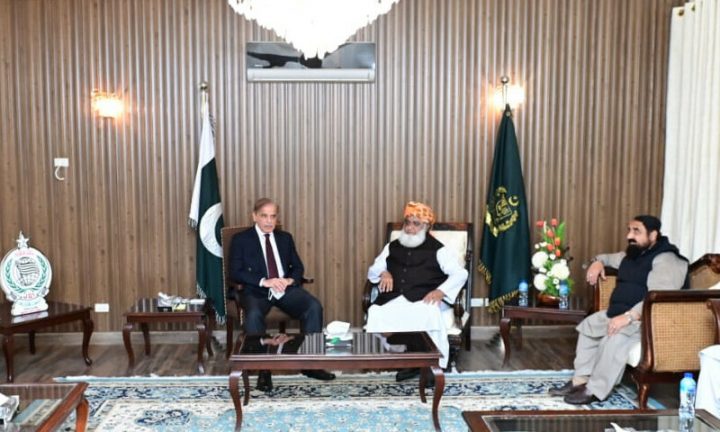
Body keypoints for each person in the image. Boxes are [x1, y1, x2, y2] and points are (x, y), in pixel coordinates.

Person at [549, 215, 688, 404]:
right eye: (629, 230)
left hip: (648, 321)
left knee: (615, 334)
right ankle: (580, 380)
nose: (629, 236)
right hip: (621, 313)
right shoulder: (633, 254)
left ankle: (595, 390)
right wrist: (597, 262)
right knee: (590, 325)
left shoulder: (666, 260)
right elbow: (606, 258)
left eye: (636, 231)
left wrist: (629, 316)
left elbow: (658, 297)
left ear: (653, 235)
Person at [229, 198, 335, 390]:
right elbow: (235, 272)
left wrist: (289, 280)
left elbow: (298, 267)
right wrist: (264, 281)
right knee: (253, 315)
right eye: (264, 216)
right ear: (254, 216)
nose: (269, 221)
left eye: (273, 216)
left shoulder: (285, 238)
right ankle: (263, 371)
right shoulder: (241, 239)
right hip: (257, 291)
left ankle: (311, 365)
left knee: (313, 306)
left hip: (284, 290)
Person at [366, 201, 468, 379]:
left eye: (416, 223)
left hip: (424, 298)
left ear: (426, 227)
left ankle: (429, 365)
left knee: (427, 313)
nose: (409, 228)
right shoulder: (392, 247)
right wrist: (384, 272)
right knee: (377, 311)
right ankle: (412, 361)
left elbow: (460, 274)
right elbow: (372, 271)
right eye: (407, 222)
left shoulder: (438, 249)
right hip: (396, 297)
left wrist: (441, 291)